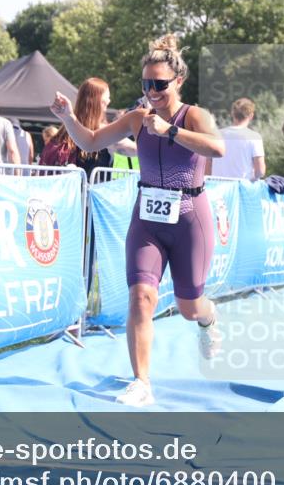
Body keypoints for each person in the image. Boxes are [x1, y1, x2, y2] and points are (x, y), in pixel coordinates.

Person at [50, 34, 225, 407]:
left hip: (190, 215)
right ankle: (141, 382)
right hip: (148, 216)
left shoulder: (194, 115)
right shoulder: (136, 118)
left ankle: (209, 320)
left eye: (159, 84)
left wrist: (172, 131)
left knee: (189, 306)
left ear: (178, 81)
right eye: (146, 84)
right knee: (141, 297)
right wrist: (67, 117)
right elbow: (93, 141)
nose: (152, 91)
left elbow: (218, 148)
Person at [71, 78, 137, 180]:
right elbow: (136, 151)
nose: (109, 101)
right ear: (100, 101)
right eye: (108, 98)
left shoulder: (68, 127)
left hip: (70, 190)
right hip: (94, 191)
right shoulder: (104, 131)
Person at [209, 97, 265, 181]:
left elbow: (207, 165)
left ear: (232, 114)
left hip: (217, 186)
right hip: (241, 187)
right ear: (251, 116)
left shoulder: (216, 135)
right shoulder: (254, 137)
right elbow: (260, 171)